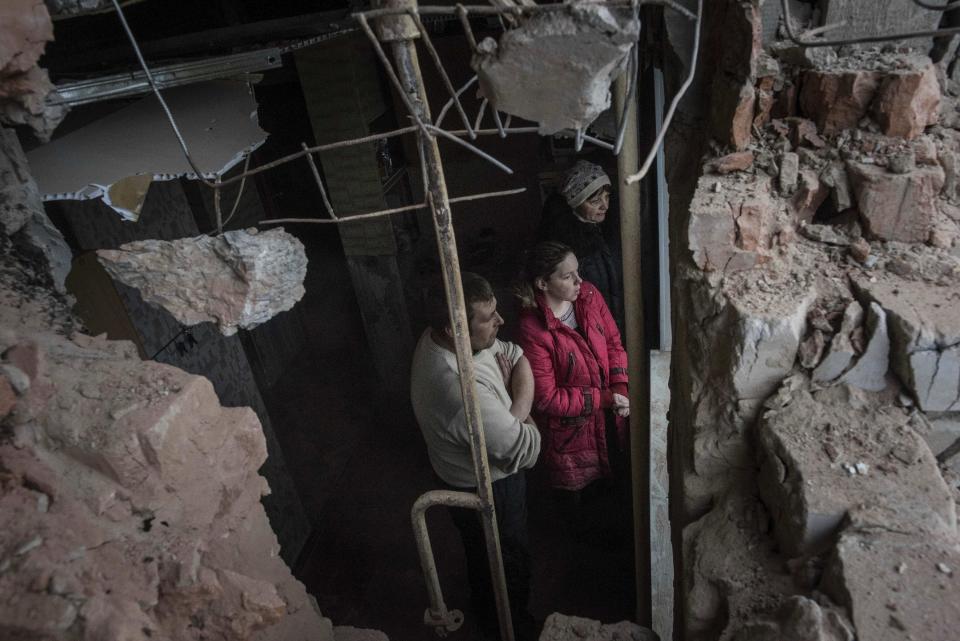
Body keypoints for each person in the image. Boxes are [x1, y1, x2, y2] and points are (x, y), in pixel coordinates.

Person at [410, 272, 541, 641]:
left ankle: (490, 610)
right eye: (489, 317)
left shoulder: (445, 339)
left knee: (482, 555)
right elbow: (528, 448)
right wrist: (523, 413)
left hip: (467, 473)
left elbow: (516, 356)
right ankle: (512, 627)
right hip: (488, 488)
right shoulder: (457, 389)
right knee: (506, 562)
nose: (501, 322)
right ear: (455, 330)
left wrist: (512, 408)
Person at [515, 241, 629, 537]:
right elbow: (547, 397)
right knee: (581, 506)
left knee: (613, 489)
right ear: (543, 283)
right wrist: (602, 398)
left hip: (609, 416)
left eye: (578, 272)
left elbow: (615, 344)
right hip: (571, 434)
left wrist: (620, 386)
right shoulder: (533, 328)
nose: (580, 281)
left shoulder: (589, 295)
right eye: (568, 276)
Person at [538, 160, 624, 330]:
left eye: (607, 197)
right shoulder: (565, 243)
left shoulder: (603, 226)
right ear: (575, 202)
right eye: (594, 201)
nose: (604, 206)